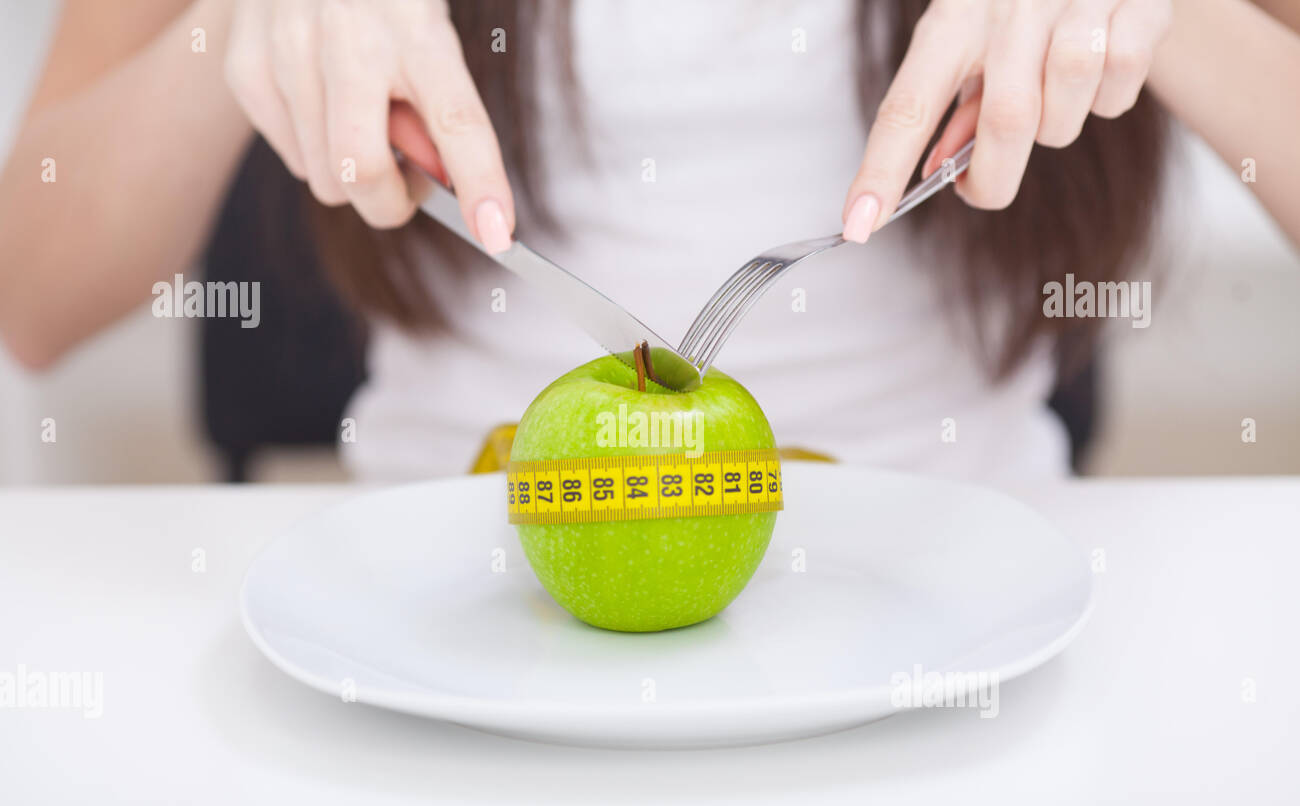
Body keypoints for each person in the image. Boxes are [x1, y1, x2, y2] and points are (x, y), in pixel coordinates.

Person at [1, 0, 1296, 481]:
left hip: (967, 658)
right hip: (449, 661)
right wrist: (239, 21)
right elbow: (34, 294)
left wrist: (1176, 13)